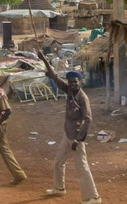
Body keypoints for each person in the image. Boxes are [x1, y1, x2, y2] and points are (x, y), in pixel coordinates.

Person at [38, 50, 101, 204]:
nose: (72, 84)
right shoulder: (69, 91)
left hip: (76, 136)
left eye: (75, 81)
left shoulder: (82, 98)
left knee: (82, 167)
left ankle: (93, 197)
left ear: (80, 82)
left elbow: (88, 120)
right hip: (68, 133)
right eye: (71, 81)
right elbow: (54, 76)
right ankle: (59, 189)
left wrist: (78, 140)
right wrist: (44, 59)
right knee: (59, 161)